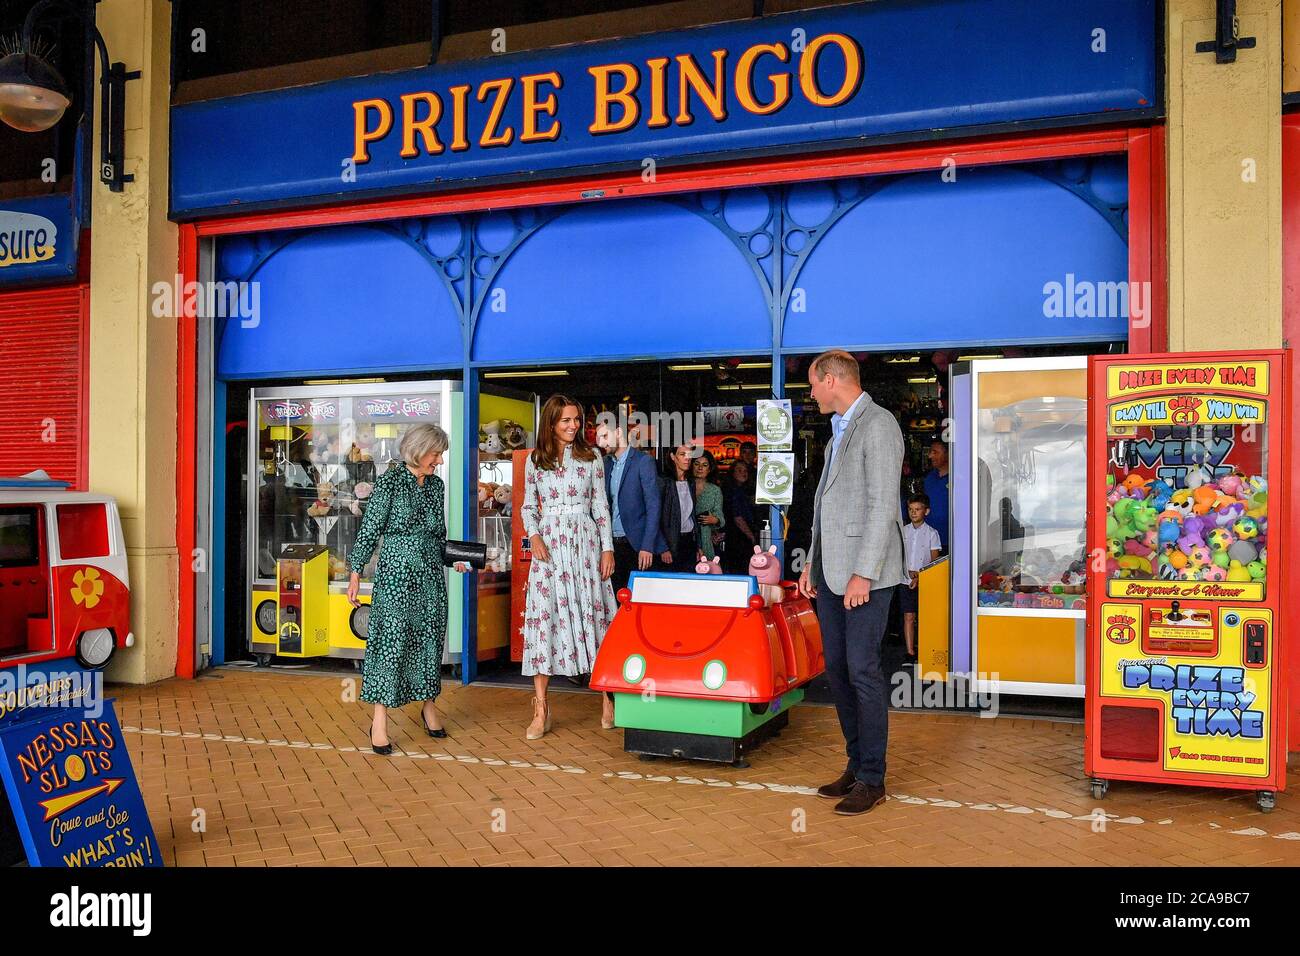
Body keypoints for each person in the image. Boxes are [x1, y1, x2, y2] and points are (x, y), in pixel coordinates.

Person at [798, 349, 908, 815]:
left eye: (812, 385)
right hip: (830, 571)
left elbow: (883, 506)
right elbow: (826, 508)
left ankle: (873, 778)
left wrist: (863, 571)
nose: (810, 393)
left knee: (863, 671)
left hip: (866, 574)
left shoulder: (879, 425)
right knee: (838, 672)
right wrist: (811, 565)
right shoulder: (837, 431)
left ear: (830, 379)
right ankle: (856, 763)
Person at [347, 424, 470, 756]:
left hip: (430, 577)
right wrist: (355, 571)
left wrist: (456, 558)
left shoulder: (435, 486)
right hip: (397, 579)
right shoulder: (389, 481)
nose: (440, 461)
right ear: (419, 450)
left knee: (429, 642)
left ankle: (428, 707)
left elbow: (438, 538)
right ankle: (379, 721)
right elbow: (370, 528)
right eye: (436, 454)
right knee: (390, 645)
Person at [520, 396, 617, 738]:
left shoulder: (592, 458)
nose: (574, 426)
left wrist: (607, 548)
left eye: (576, 420)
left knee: (597, 617)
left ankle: (608, 697)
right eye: (566, 421)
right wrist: (535, 537)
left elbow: (602, 507)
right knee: (545, 619)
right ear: (550, 424)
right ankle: (541, 706)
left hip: (585, 545)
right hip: (549, 549)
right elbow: (528, 507)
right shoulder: (535, 461)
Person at [595, 418, 661, 594]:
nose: (601, 443)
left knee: (638, 600)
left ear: (618, 433)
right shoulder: (605, 463)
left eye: (604, 436)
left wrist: (647, 546)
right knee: (614, 600)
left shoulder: (643, 461)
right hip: (610, 546)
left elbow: (653, 506)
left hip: (636, 545)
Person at [901, 492, 942, 661]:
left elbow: (935, 561)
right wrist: (907, 572)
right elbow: (899, 555)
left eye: (918, 509)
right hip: (905, 580)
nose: (914, 513)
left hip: (926, 581)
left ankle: (925, 649)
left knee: (925, 617)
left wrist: (920, 576)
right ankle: (910, 652)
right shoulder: (903, 531)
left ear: (926, 511)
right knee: (908, 616)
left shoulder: (932, 533)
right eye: (911, 509)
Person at [658, 444, 699, 571]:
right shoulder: (663, 481)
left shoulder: (690, 482)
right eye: (682, 454)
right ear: (673, 457)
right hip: (671, 543)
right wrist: (662, 547)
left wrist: (698, 545)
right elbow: (656, 517)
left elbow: (691, 515)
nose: (687, 458)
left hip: (689, 541)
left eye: (689, 455)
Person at [722, 459, 758, 573]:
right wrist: (751, 537)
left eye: (745, 470)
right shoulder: (733, 490)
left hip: (738, 536)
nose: (744, 473)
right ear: (732, 472)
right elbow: (738, 518)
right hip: (737, 537)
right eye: (739, 470)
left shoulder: (743, 490)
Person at [691, 449, 725, 561]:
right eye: (697, 464)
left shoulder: (714, 490)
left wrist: (713, 520)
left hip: (705, 537)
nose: (700, 468)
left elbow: (720, 518)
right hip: (686, 537)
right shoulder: (684, 485)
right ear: (691, 465)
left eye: (704, 465)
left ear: (709, 469)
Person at [923, 438, 951, 552]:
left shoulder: (960, 477)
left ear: (948, 453)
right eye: (930, 452)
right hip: (928, 541)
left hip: (952, 541)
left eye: (935, 452)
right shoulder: (929, 478)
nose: (930, 456)